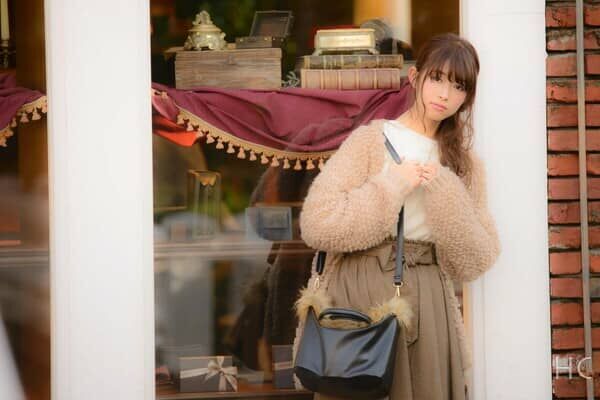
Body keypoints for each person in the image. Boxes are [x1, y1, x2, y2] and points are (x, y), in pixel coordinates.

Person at [292, 33, 501, 400]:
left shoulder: (464, 165)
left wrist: (446, 192)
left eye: (458, 86)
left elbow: (475, 261)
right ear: (415, 77)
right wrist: (391, 186)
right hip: (360, 289)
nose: (445, 94)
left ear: (467, 97)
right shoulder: (371, 141)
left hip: (428, 295)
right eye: (436, 78)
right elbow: (316, 222)